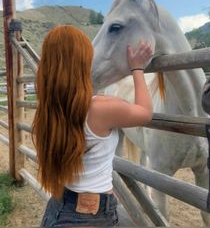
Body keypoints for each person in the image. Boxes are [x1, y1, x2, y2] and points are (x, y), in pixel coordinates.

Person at [32, 25, 153, 227]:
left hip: (57, 208)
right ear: (82, 62)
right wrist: (137, 68)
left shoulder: (47, 110)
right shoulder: (99, 108)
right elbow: (145, 112)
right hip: (91, 218)